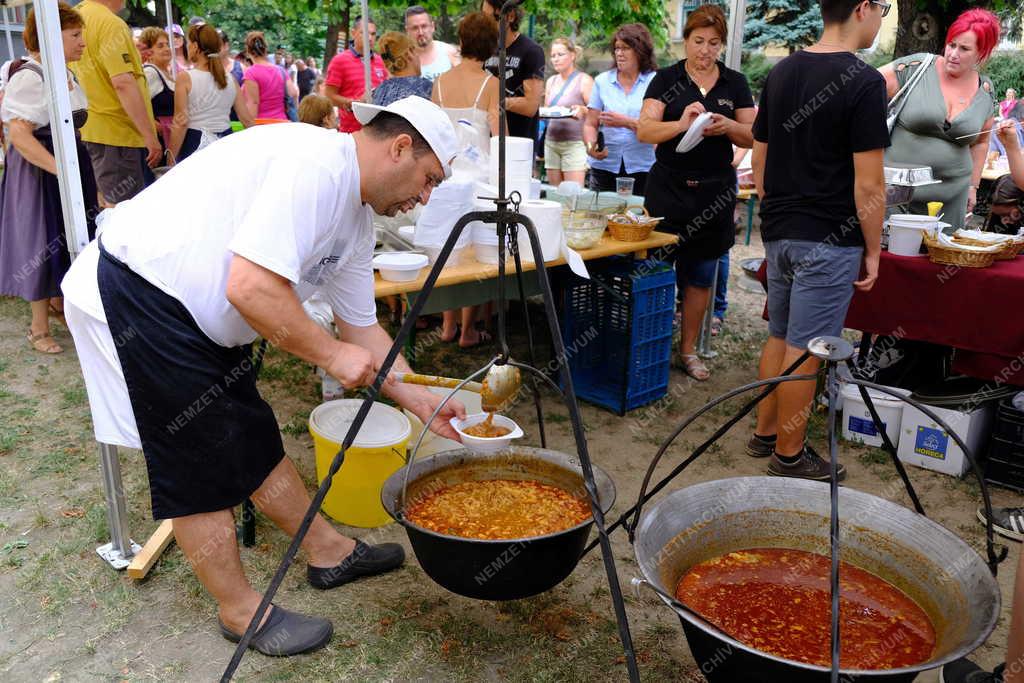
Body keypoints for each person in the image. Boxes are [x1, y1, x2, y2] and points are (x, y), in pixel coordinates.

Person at [60, 97, 464, 655]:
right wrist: (329, 355)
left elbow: (365, 333)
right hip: (144, 291)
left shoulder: (356, 216)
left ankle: (327, 551)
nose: (424, 198)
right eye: (429, 180)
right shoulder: (315, 166)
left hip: (207, 316)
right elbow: (250, 287)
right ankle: (239, 610)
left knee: (250, 432)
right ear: (399, 147)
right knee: (196, 461)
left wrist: (421, 400)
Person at [746, 0, 888, 481]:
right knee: (808, 348)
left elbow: (758, 159)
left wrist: (778, 207)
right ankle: (789, 456)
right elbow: (869, 185)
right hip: (829, 238)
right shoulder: (865, 83)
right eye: (883, 7)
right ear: (863, 8)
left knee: (780, 335)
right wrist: (873, 250)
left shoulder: (783, 71)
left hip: (782, 231)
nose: (883, 17)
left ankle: (766, 432)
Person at [638, 5, 754, 381]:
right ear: (685, 40)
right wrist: (680, 123)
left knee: (701, 274)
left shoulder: (734, 82)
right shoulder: (665, 79)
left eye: (714, 43)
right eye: (698, 41)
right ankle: (649, 345)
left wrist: (727, 126)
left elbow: (753, 135)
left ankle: (688, 350)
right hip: (668, 189)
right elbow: (645, 131)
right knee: (656, 268)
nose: (705, 50)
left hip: (714, 192)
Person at [0, 3, 97, 355]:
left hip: (70, 163)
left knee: (70, 234)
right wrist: (62, 170)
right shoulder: (31, 75)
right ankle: (37, 326)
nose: (82, 43)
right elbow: (20, 135)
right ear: (50, 38)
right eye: (75, 35)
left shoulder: (66, 75)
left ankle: (61, 305)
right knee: (41, 240)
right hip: (40, 169)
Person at [879, 9, 999, 228]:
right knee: (890, 257)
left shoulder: (985, 90)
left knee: (941, 257)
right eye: (951, 45)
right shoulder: (916, 68)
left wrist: (973, 186)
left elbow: (981, 142)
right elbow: (863, 89)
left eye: (964, 49)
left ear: (981, 52)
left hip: (951, 200)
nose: (953, 54)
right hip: (895, 195)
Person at [432, 11, 501, 348]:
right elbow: (500, 137)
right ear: (491, 46)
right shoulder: (491, 84)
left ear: (461, 42)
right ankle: (468, 330)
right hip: (478, 179)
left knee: (449, 251)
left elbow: (430, 132)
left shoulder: (440, 82)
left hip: (444, 176)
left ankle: (446, 325)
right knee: (472, 253)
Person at [71, 0, 160, 207]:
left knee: (103, 210)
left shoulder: (72, 17)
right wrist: (149, 135)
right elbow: (122, 83)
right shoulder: (110, 23)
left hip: (87, 129)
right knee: (122, 215)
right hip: (117, 134)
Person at [583, 23, 657, 194]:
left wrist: (626, 122)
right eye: (616, 48)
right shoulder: (602, 81)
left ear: (640, 51)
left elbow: (658, 128)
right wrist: (590, 146)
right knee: (601, 218)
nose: (619, 53)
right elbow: (590, 124)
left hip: (643, 167)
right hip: (605, 167)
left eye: (625, 48)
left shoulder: (655, 81)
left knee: (638, 217)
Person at [168, 23, 255, 163]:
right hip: (226, 144)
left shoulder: (185, 78)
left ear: (195, 47)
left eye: (188, 43)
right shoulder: (230, 79)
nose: (187, 47)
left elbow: (180, 123)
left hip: (195, 145)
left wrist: (170, 159)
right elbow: (247, 120)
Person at [481, 0, 544, 141]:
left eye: (491, 18)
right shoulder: (485, 49)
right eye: (482, 17)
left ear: (510, 16)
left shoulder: (531, 51)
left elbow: (530, 105)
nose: (485, 24)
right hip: (487, 140)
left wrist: (497, 102)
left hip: (519, 143)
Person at [324, 16, 388, 133]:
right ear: (353, 33)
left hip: (378, 131)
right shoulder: (339, 61)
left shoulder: (380, 62)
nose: (369, 38)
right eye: (364, 33)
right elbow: (329, 96)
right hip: (351, 133)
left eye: (373, 34)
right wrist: (353, 103)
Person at [543, 37, 593, 186]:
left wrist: (583, 110)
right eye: (553, 56)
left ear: (572, 55)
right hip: (551, 142)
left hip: (574, 143)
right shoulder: (551, 81)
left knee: (572, 196)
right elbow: (547, 110)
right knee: (554, 196)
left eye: (560, 54)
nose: (556, 59)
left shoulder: (584, 80)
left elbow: (597, 113)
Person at [137, 27, 175, 154]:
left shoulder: (166, 73)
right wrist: (152, 124)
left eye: (167, 45)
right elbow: (138, 102)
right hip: (160, 139)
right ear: (148, 52)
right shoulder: (150, 72)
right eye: (160, 46)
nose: (166, 49)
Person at [241, 31, 290, 121]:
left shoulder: (251, 73)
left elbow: (253, 104)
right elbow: (294, 92)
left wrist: (249, 127)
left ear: (248, 51)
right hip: (282, 122)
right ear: (265, 49)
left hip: (262, 124)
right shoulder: (281, 70)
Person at [373, 32, 432, 105]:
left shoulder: (379, 91)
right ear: (409, 53)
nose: (418, 56)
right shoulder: (425, 87)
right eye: (416, 52)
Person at [404, 6, 460, 82]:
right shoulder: (402, 60)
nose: (420, 32)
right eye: (415, 28)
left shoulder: (450, 52)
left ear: (432, 27)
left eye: (424, 26)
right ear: (407, 31)